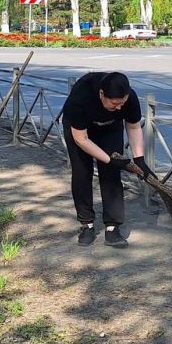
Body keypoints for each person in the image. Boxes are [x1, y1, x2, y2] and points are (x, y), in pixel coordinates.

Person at [62, 71, 147, 248]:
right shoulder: (80, 98)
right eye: (114, 103)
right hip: (80, 130)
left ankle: (112, 227)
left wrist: (139, 159)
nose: (119, 108)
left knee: (111, 174)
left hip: (110, 128)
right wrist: (108, 158)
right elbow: (81, 140)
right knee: (81, 171)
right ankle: (87, 224)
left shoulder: (129, 98)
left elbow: (133, 126)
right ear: (102, 94)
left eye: (122, 103)